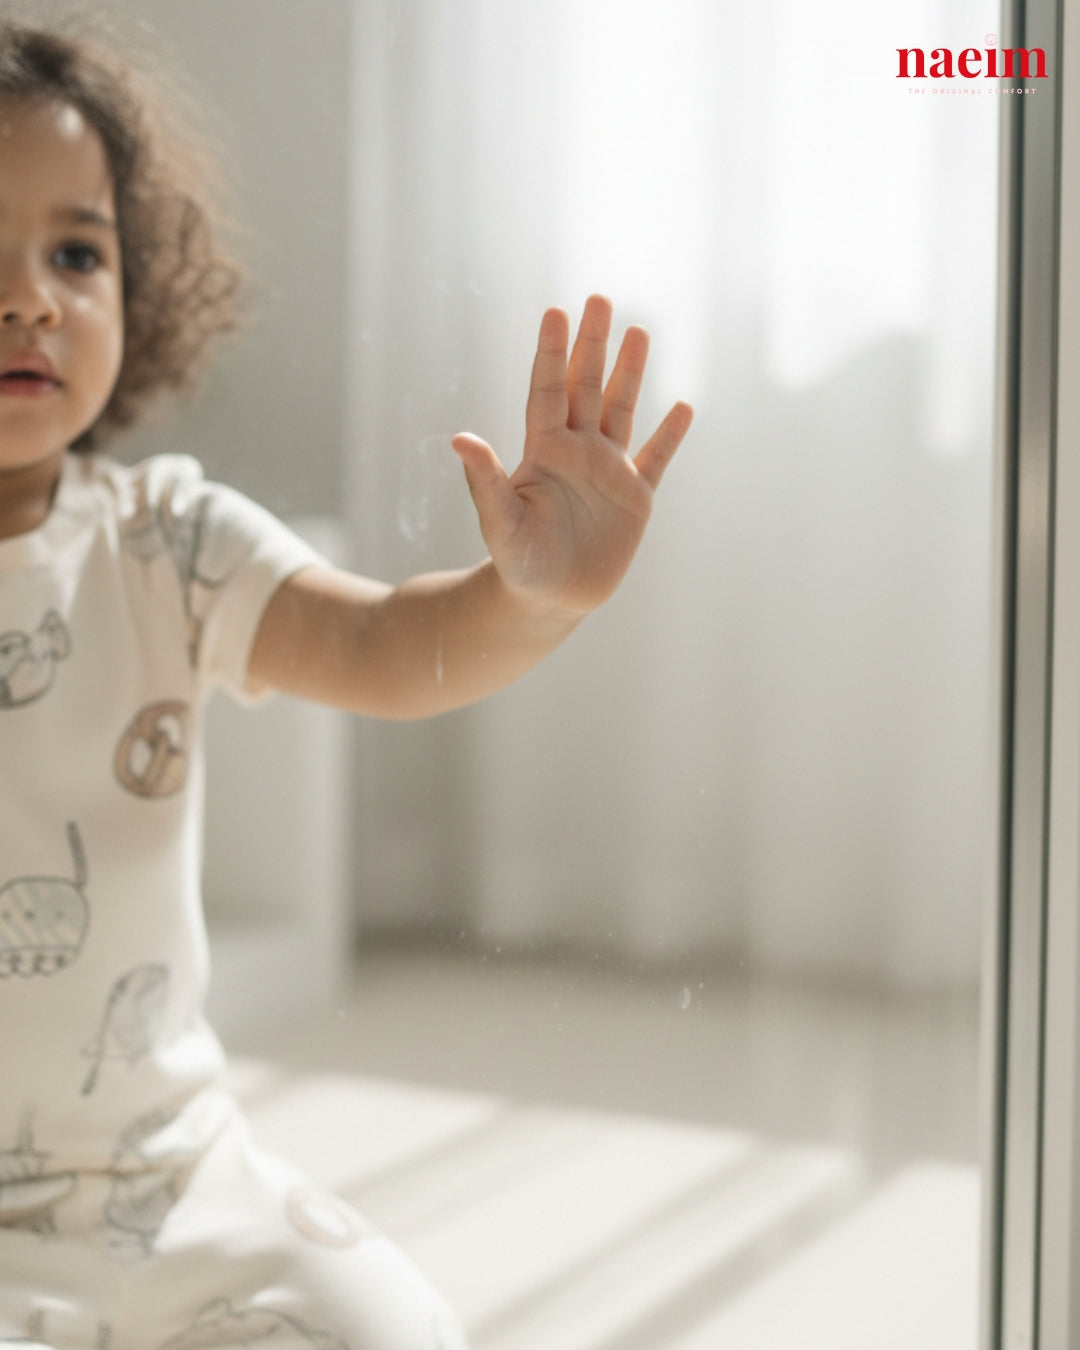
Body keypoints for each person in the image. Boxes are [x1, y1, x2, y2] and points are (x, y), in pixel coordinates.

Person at [0, 16, 693, 1350]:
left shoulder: (165, 538)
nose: (31, 295)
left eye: (76, 251)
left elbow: (386, 647)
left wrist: (527, 597)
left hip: (175, 1181)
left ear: (138, 281)